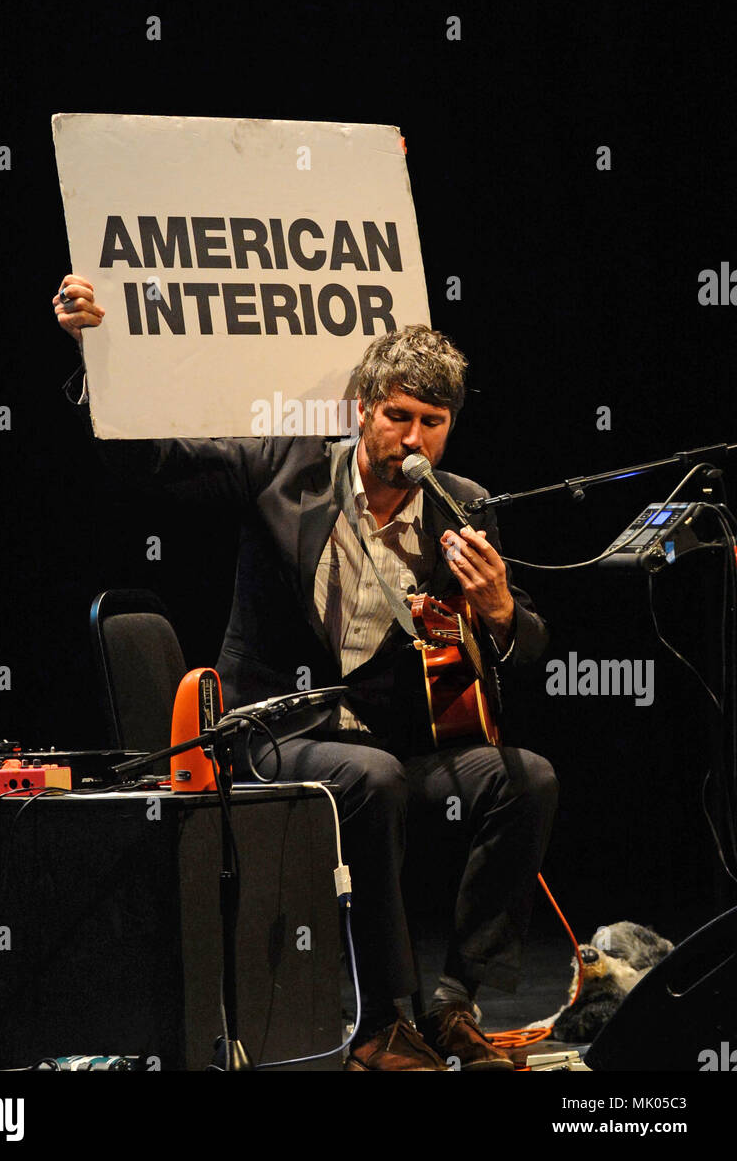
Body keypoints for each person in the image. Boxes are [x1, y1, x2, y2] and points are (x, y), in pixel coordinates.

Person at [55, 276, 558, 1073]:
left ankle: (457, 1003)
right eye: (398, 417)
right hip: (270, 731)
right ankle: (382, 1026)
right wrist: (97, 356)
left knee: (524, 779)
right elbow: (153, 461)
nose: (414, 440)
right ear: (363, 408)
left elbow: (524, 647)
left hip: (387, 742)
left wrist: (498, 612)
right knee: (375, 779)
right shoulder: (285, 471)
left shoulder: (462, 508)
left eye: (433, 423)